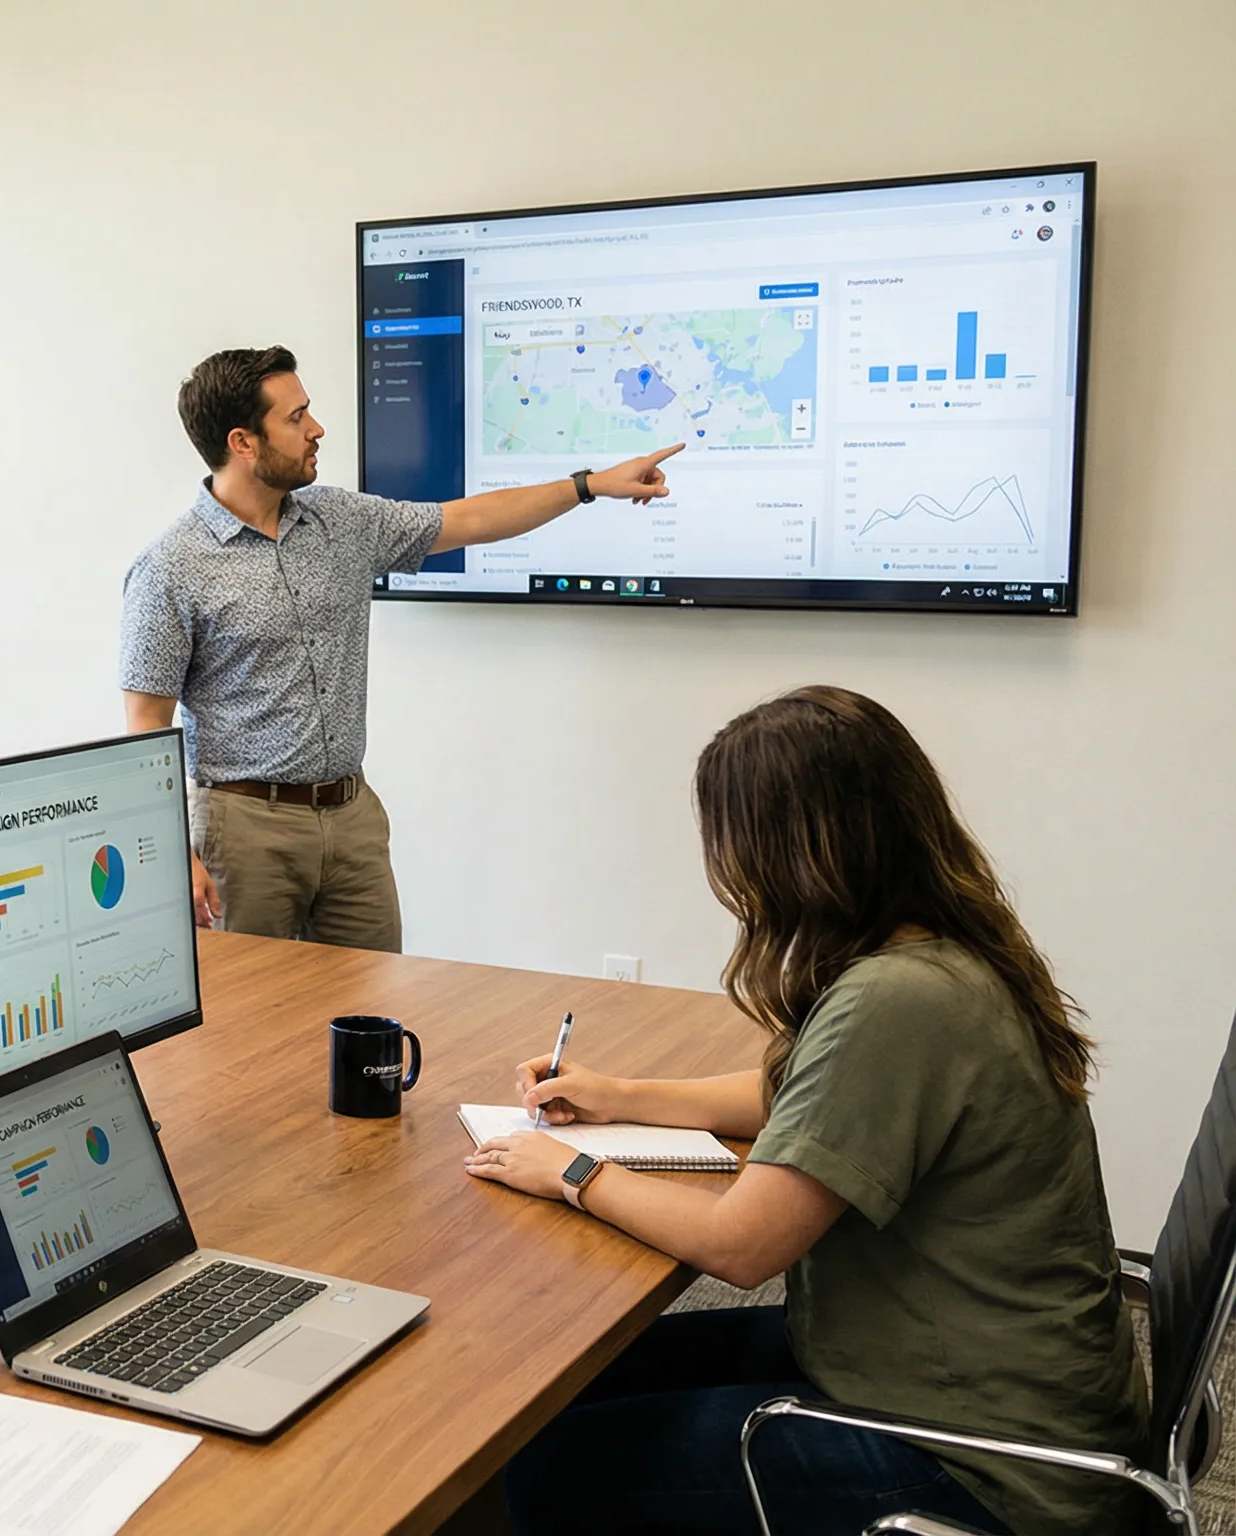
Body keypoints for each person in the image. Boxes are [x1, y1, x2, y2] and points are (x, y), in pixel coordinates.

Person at [466, 686, 1145, 1535]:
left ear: (792, 852)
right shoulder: (939, 951)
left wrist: (572, 1170)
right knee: (555, 1389)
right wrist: (622, 1096)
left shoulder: (897, 1002)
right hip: (941, 1371)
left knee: (549, 1466)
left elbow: (741, 1246)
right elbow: (808, 1097)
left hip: (984, 1459)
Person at [120, 345, 679, 951]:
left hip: (352, 817)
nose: (316, 429)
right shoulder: (170, 568)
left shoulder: (339, 520)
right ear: (243, 443)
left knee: (373, 1018)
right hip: (245, 829)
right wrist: (175, 852)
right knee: (253, 1020)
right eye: (295, 418)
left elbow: (466, 520)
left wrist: (589, 486)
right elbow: (146, 723)